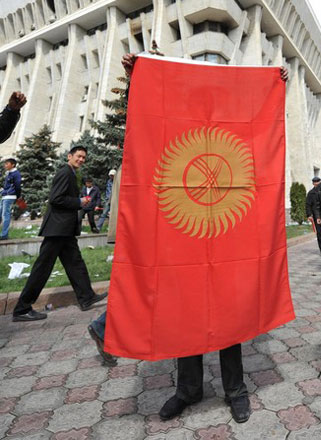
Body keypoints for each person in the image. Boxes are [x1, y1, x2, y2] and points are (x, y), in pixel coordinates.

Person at [113, 52, 289, 424]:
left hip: (227, 233)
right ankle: (188, 389)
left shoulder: (229, 118)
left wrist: (273, 83)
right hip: (181, 234)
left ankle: (235, 390)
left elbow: (251, 118)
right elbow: (151, 112)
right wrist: (138, 76)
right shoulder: (175, 118)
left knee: (229, 312)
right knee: (183, 311)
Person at [12, 146, 108, 322]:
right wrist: (79, 201)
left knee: (75, 263)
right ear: (70, 156)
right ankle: (22, 308)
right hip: (57, 229)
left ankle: (86, 297)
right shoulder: (65, 172)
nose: (81, 159)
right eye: (78, 156)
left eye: (84, 157)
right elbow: (56, 199)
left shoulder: (71, 173)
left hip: (64, 230)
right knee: (43, 267)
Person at [0, 158, 21, 239]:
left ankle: (4, 235)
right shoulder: (8, 173)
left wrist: (18, 196)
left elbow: (17, 186)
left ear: (13, 165)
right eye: (5, 164)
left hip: (9, 197)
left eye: (7, 164)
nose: (5, 165)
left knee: (5, 215)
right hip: (4, 196)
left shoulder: (16, 174)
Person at [305, 176, 321, 256]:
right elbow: (308, 205)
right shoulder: (311, 193)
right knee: (319, 233)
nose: (316, 183)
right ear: (313, 183)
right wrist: (309, 215)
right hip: (316, 215)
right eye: (314, 182)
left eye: (317, 182)